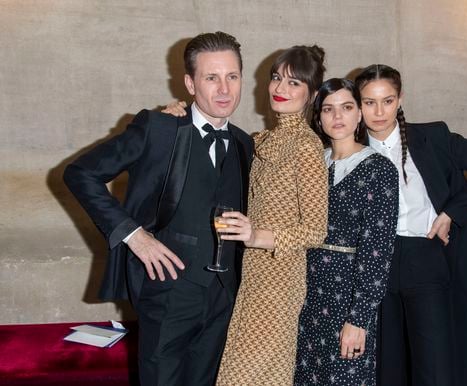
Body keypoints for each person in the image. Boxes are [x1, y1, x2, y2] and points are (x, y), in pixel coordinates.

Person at [63, 32, 254, 386]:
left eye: (232, 76)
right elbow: (80, 173)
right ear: (190, 83)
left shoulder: (245, 144)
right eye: (211, 77)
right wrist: (134, 236)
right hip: (166, 293)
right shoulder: (160, 128)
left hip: (223, 300)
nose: (224, 89)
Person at [354, 64, 467, 386]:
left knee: (435, 364)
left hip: (427, 255)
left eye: (387, 100)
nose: (379, 111)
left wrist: (452, 212)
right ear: (358, 105)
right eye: (369, 102)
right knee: (388, 364)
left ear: (400, 99)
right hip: (376, 262)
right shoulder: (349, 149)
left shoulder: (432, 137)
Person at [213, 45, 328, 386]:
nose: (280, 89)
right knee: (266, 376)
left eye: (294, 83)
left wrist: (256, 237)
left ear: (312, 94)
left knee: (241, 376)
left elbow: (315, 230)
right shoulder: (264, 139)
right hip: (254, 272)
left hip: (280, 279)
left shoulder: (306, 146)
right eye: (277, 78)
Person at [293, 78, 399, 386]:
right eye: (328, 109)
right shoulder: (311, 162)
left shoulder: (379, 169)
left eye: (347, 107)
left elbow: (378, 249)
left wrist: (359, 318)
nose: (337, 117)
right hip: (304, 292)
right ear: (319, 116)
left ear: (358, 115)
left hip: (348, 294)